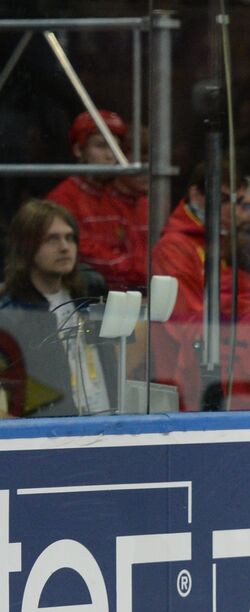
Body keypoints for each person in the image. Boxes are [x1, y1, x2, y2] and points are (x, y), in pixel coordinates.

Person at [151, 164, 250, 411]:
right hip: (195, 390)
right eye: (223, 200)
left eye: (237, 201)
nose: (231, 209)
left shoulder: (202, 322)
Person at [0, 199, 115, 417]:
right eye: (52, 239)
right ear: (27, 247)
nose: (64, 247)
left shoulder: (90, 292)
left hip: (105, 420)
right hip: (50, 428)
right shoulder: (10, 315)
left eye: (70, 238)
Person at [46, 110, 148, 292]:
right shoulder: (63, 199)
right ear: (78, 150)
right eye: (101, 146)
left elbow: (134, 250)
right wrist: (142, 270)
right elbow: (85, 253)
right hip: (81, 295)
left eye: (116, 147)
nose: (110, 156)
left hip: (123, 292)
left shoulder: (116, 197)